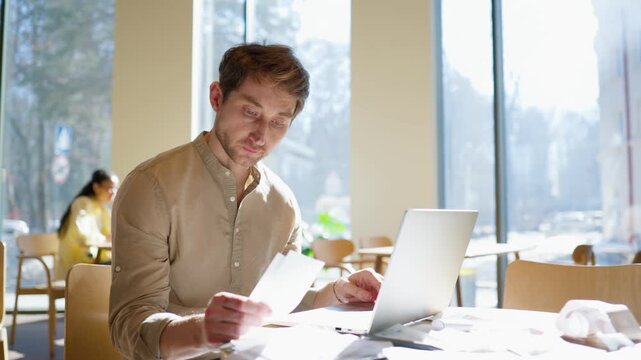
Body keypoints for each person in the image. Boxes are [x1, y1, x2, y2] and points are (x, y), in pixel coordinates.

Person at [109, 43, 383, 359]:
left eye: (279, 121)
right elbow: (130, 326)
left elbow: (279, 307)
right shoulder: (151, 187)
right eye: (250, 112)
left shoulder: (284, 205)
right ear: (216, 98)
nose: (261, 135)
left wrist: (337, 293)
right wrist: (203, 332)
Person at [57, 169, 118, 278]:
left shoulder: (103, 210)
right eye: (109, 187)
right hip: (78, 265)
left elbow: (112, 235)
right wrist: (105, 239)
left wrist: (117, 206)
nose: (113, 192)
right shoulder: (82, 203)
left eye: (115, 188)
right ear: (96, 187)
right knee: (119, 268)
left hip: (94, 261)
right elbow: (83, 238)